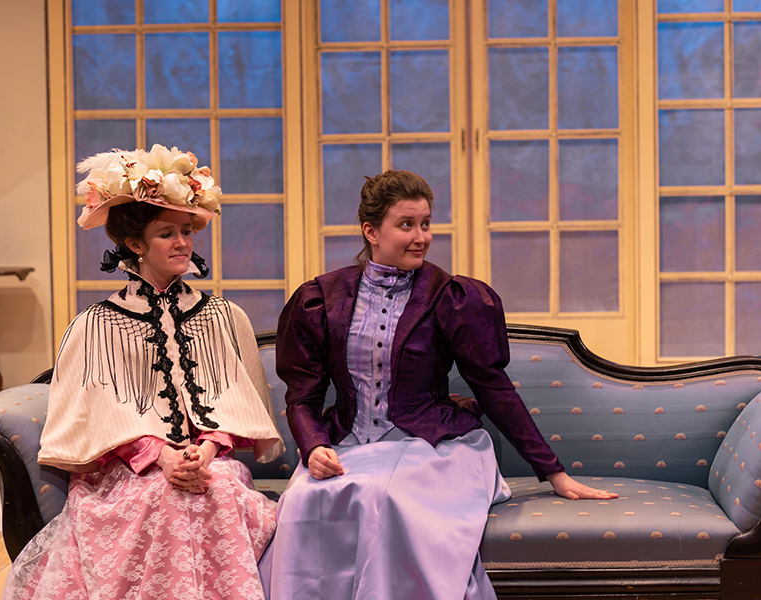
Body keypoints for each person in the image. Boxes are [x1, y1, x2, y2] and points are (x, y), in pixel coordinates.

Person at [260, 170, 616, 599]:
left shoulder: (450, 296)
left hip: (430, 445)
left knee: (383, 497)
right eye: (406, 224)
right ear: (371, 231)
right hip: (348, 444)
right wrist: (314, 445)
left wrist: (553, 472)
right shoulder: (323, 298)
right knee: (299, 503)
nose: (421, 237)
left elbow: (492, 386)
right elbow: (303, 395)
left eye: (425, 223)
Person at [2, 144, 285, 600]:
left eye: (186, 231)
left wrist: (207, 451)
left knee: (219, 489)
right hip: (125, 475)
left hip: (208, 464)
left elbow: (239, 404)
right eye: (166, 234)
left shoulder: (222, 316)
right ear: (135, 245)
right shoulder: (96, 324)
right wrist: (159, 455)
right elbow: (91, 416)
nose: (182, 243)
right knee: (161, 498)